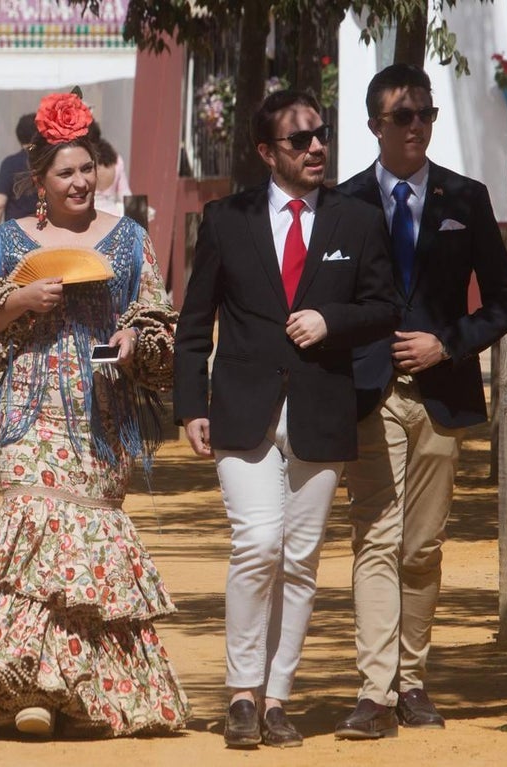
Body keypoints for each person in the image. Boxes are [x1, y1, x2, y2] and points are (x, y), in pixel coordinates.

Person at [0, 87, 189, 739]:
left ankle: (73, 691)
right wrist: (19, 301)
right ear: (38, 182)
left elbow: (159, 319)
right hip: (30, 411)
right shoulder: (12, 240)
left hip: (103, 415)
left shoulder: (129, 238)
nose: (79, 181)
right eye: (65, 172)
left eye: (87, 168)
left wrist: (133, 339)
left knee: (82, 545)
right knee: (39, 531)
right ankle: (32, 687)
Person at [173, 88, 398, 749]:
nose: (317, 147)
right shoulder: (226, 218)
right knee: (258, 543)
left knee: (300, 559)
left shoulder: (358, 220)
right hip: (242, 409)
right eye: (300, 139)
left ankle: (275, 701)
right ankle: (240, 692)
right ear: (267, 152)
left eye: (321, 134)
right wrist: (190, 405)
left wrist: (333, 320)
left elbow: (385, 307)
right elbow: (194, 323)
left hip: (322, 409)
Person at [333, 63, 507, 739]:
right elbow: (326, 301)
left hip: (442, 394)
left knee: (421, 545)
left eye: (426, 113)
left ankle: (412, 680)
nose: (416, 126)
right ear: (374, 125)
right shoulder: (344, 203)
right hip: (371, 393)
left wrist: (447, 343)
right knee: (376, 537)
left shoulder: (465, 198)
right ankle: (376, 692)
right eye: (402, 116)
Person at [0, 112, 38, 240]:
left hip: (15, 237)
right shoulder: (48, 163)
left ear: (19, 136)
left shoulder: (10, 163)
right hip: (44, 233)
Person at [91, 122, 131, 217]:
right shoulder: (116, 160)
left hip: (89, 217)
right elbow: (125, 194)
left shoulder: (82, 163)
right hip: (113, 215)